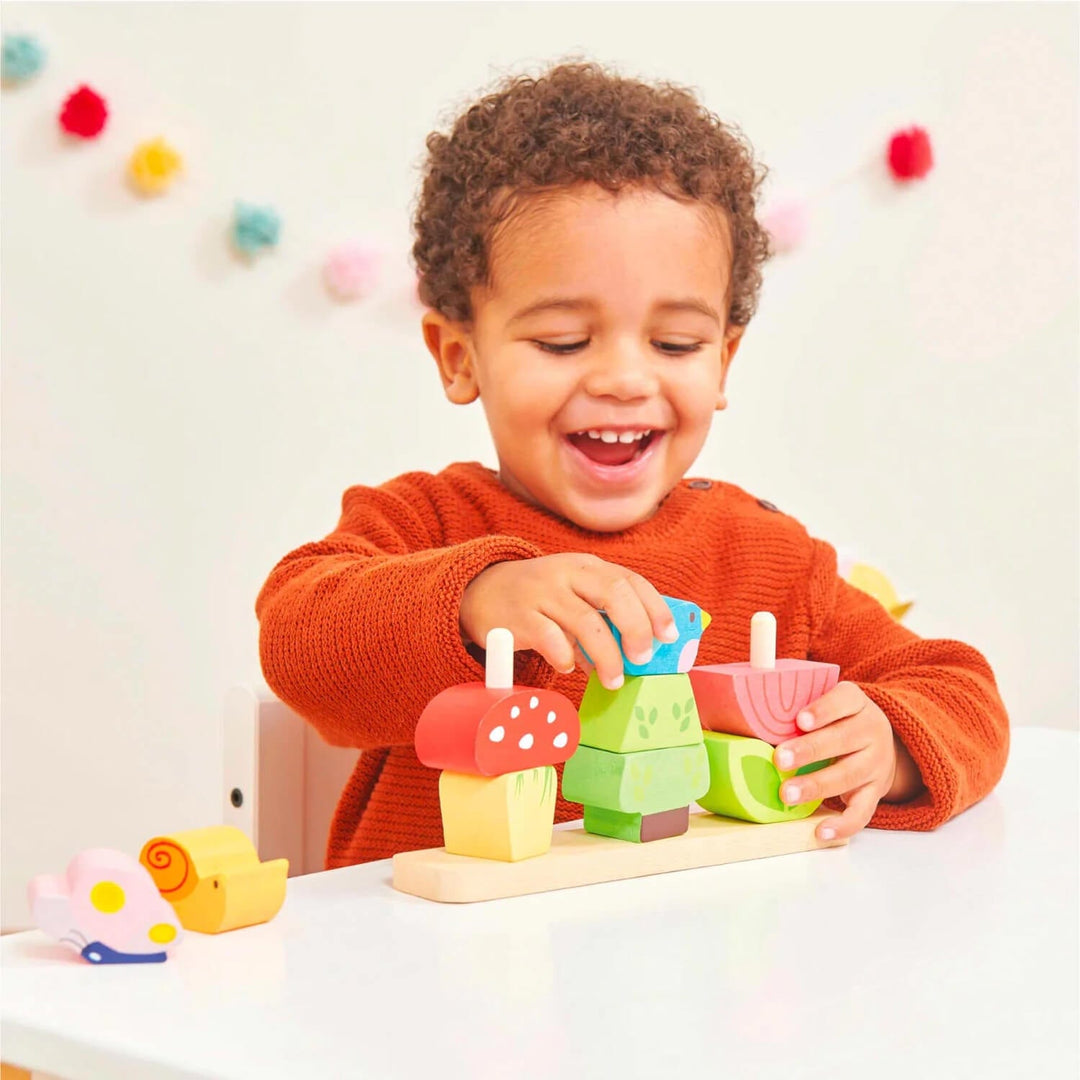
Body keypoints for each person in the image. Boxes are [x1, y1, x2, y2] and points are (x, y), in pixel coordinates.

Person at [256, 61, 1009, 870]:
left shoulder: (771, 562)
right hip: (445, 969)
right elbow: (298, 636)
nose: (623, 378)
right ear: (458, 356)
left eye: (675, 344)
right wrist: (476, 598)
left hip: (701, 966)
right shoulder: (427, 528)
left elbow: (961, 689)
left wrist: (889, 742)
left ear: (722, 363)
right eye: (562, 341)